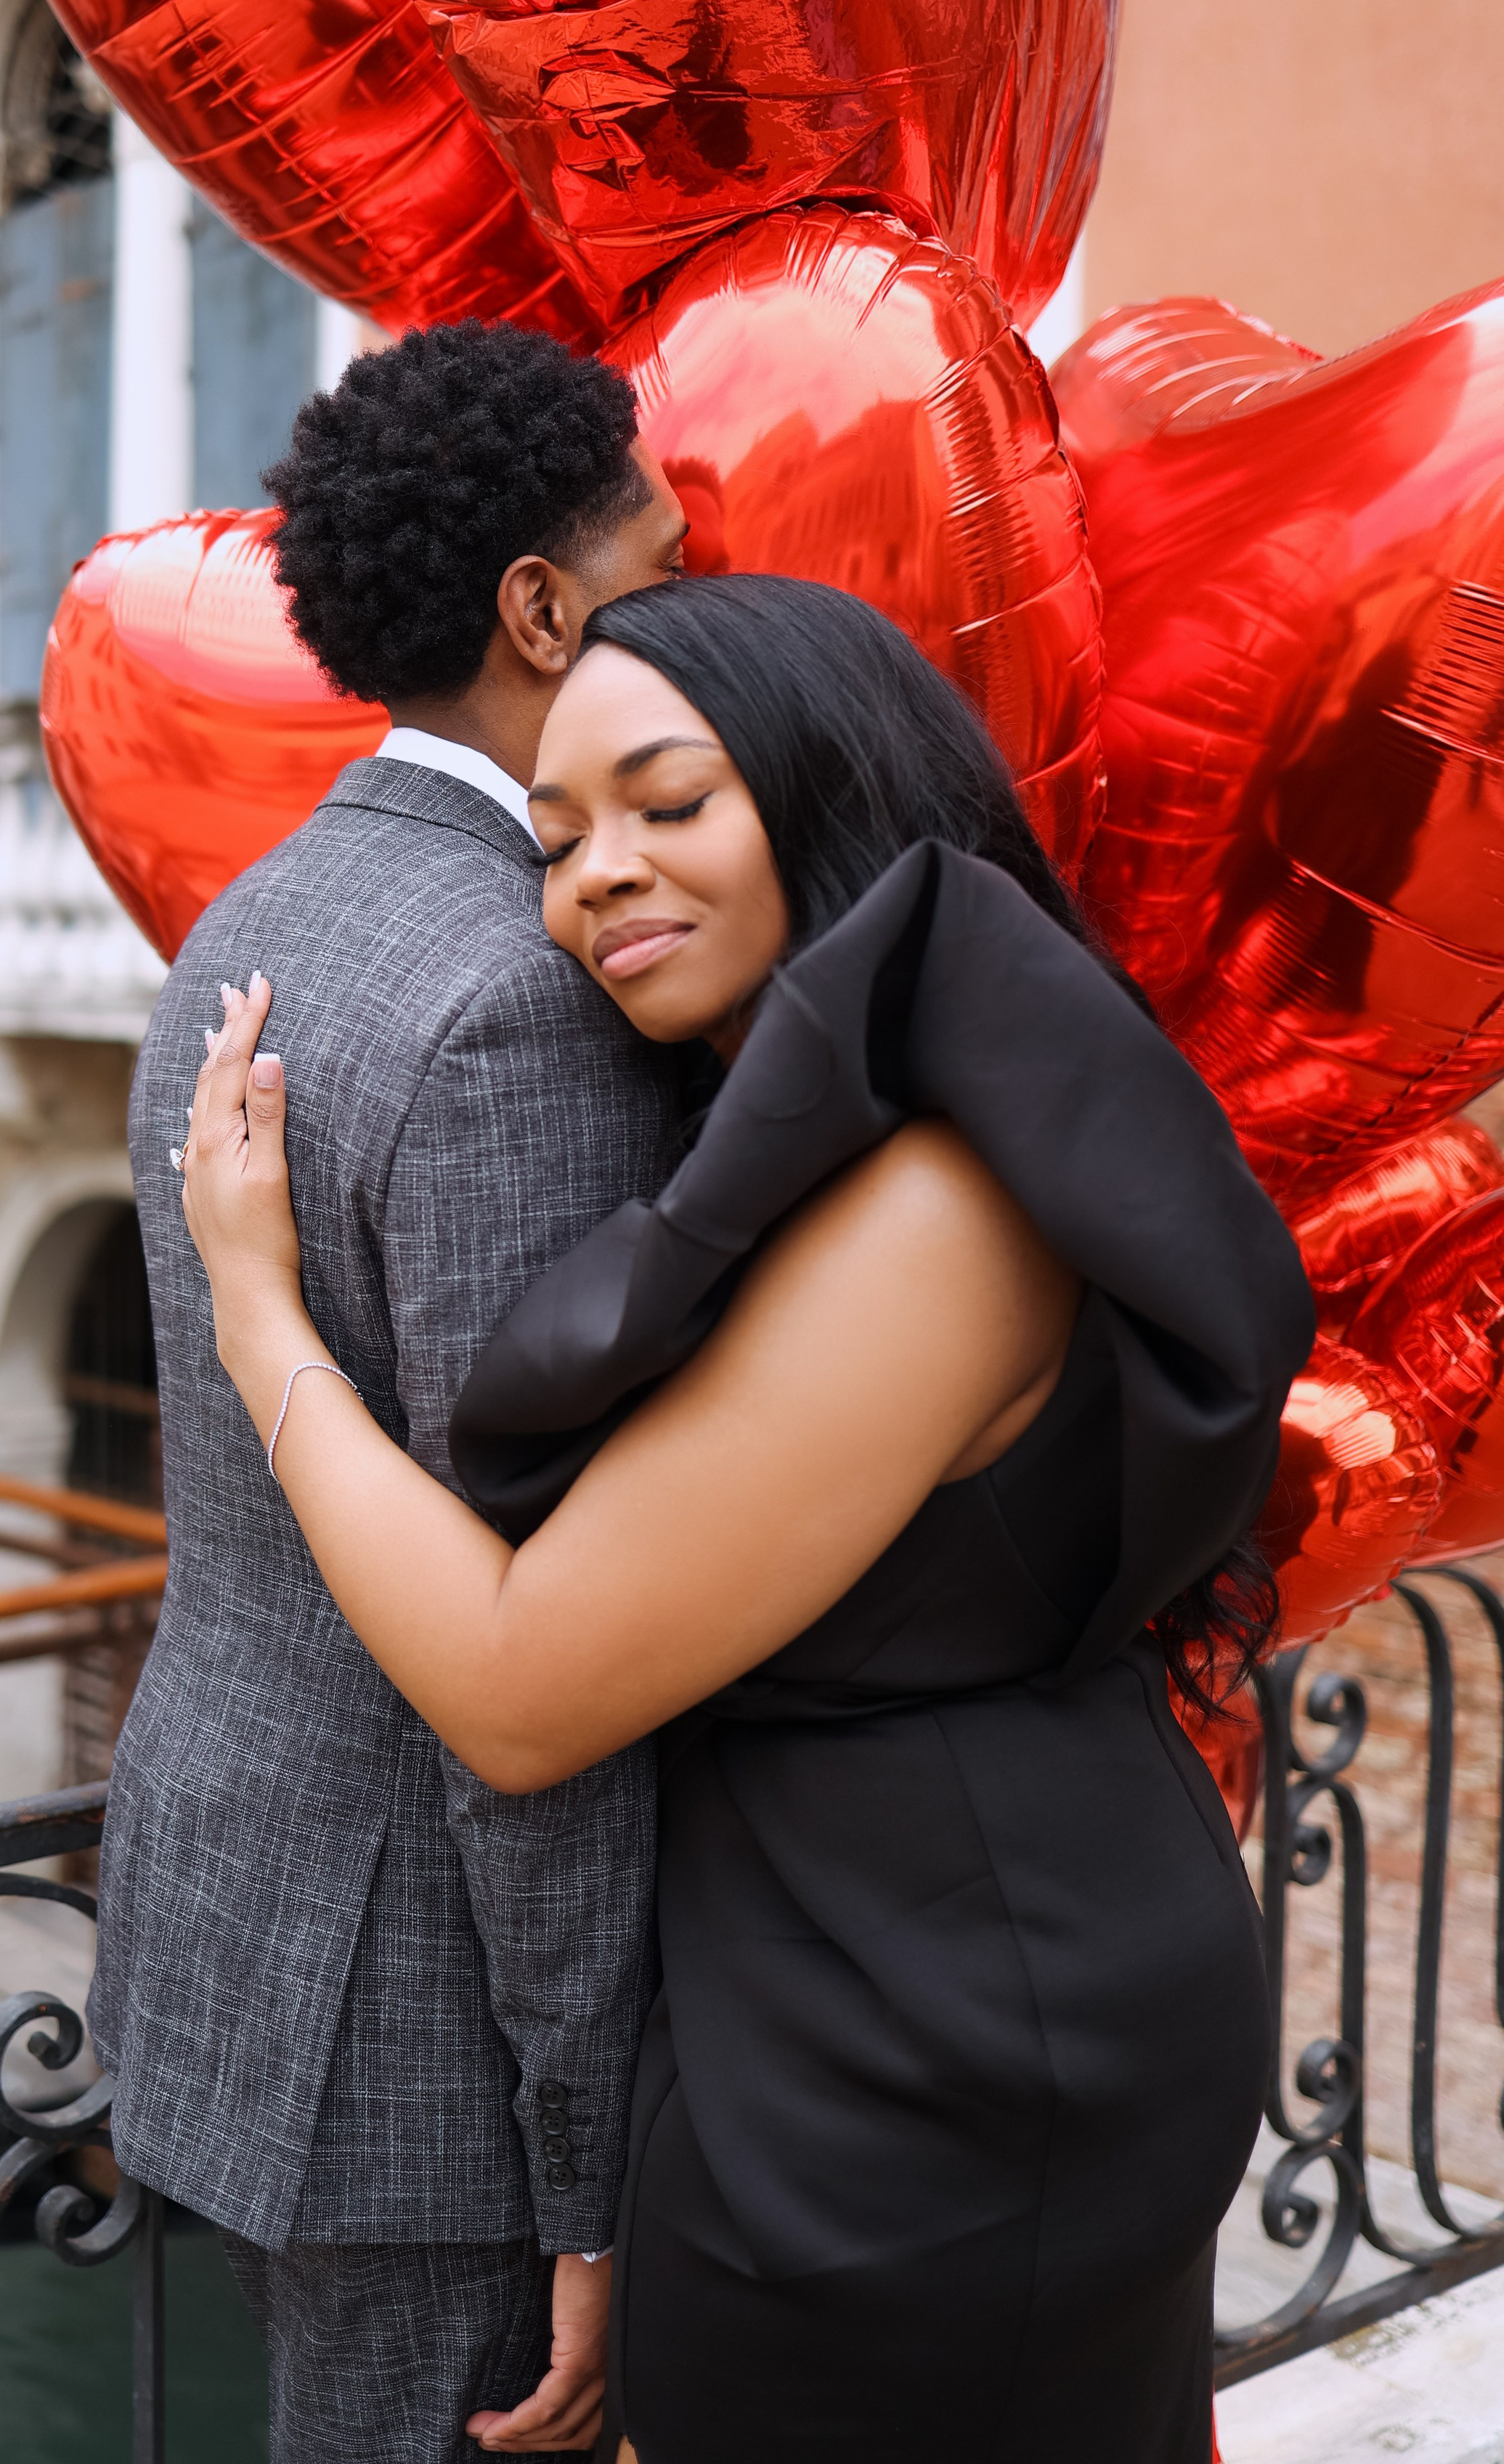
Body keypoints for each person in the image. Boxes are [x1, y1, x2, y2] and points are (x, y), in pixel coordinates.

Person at [176, 574, 1317, 2464]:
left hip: (938, 2043)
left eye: (668, 801)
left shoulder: (932, 1217)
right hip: (920, 1963)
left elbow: (522, 1682)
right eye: (554, 837)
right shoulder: (852, 1155)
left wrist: (259, 1321)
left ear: (827, 790)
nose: (597, 874)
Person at [89, 320, 691, 2463]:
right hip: (424, 2043)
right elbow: (521, 1647)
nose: (694, 605)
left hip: (246, 1941)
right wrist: (590, 2170)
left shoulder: (258, 916)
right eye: (663, 558)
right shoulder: (524, 999)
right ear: (545, 610)